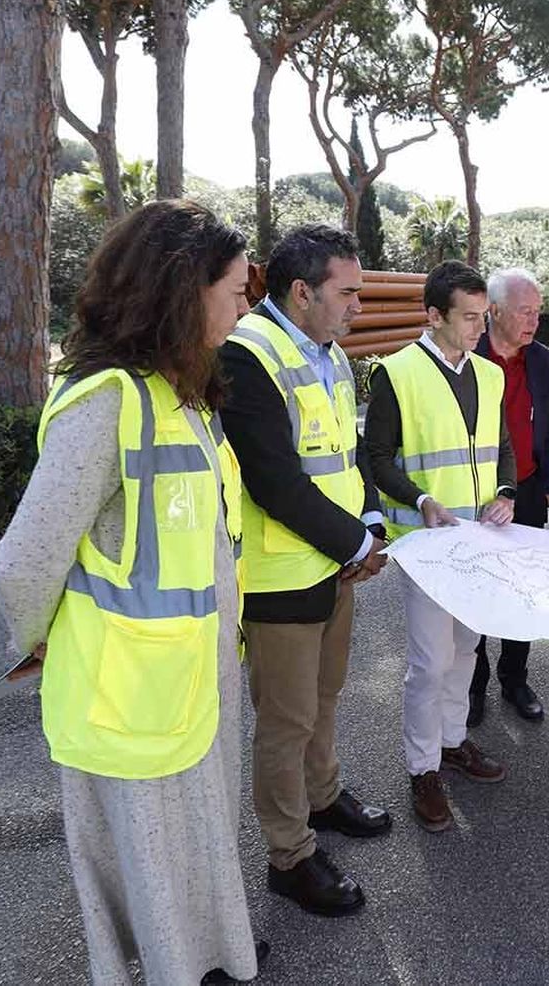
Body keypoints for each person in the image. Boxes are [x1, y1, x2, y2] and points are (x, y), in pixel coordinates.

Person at [0, 200, 267, 985]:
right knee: (150, 869)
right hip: (130, 697)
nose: (244, 306)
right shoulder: (108, 402)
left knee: (196, 850)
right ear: (185, 290)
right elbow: (23, 564)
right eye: (236, 290)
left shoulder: (183, 394)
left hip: (191, 685)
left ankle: (213, 961)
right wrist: (34, 640)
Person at [217, 223, 391, 919]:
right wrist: (356, 545)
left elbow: (349, 455)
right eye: (347, 293)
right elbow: (273, 482)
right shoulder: (246, 355)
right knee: (285, 722)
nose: (358, 306)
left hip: (334, 565)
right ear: (301, 291)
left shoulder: (331, 354)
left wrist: (370, 526)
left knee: (324, 697)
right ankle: (289, 857)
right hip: (281, 577)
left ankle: (324, 799)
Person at [363, 260, 515, 832]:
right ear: (433, 315)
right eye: (469, 318)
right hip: (426, 544)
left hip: (479, 541)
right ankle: (422, 768)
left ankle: (454, 742)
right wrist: (423, 500)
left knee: (468, 651)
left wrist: (505, 492)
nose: (480, 328)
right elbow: (376, 458)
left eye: (485, 316)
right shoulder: (396, 374)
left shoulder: (491, 374)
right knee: (429, 663)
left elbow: (502, 447)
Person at [469, 268, 549, 725]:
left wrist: (548, 486)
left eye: (539, 312)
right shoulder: (468, 355)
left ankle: (515, 679)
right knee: (481, 588)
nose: (534, 321)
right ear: (496, 311)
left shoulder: (543, 361)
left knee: (521, 591)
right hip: (479, 493)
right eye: (526, 311)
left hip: (526, 492)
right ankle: (475, 683)